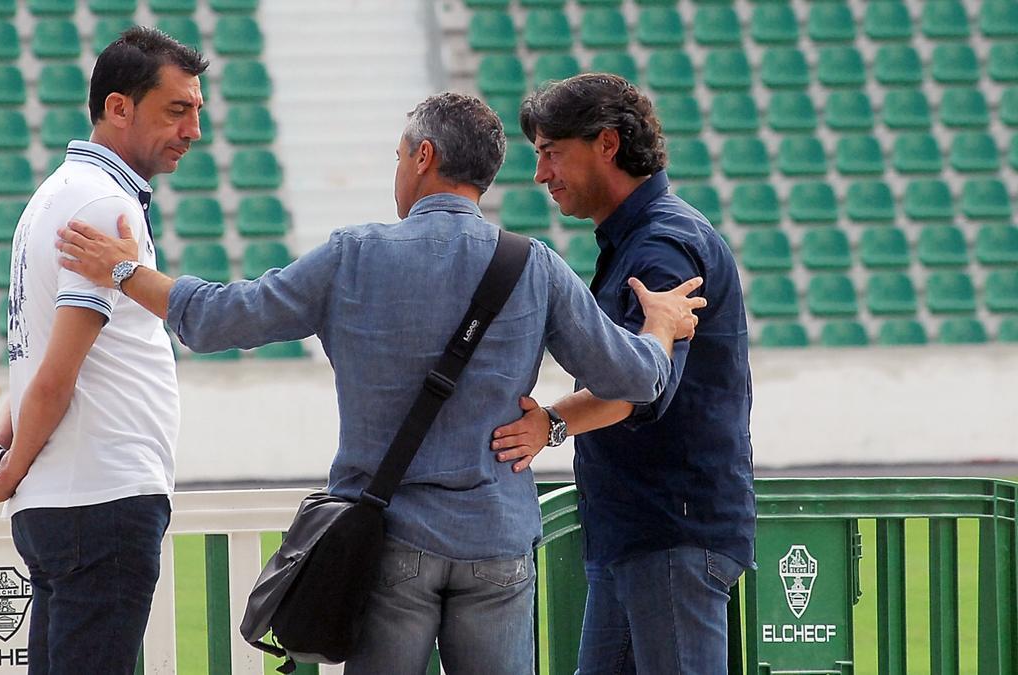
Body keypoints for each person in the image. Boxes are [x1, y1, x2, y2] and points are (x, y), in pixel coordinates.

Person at [55, 91, 707, 675]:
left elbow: (222, 317)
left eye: (399, 156)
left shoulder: (355, 254)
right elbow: (636, 379)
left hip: (387, 535)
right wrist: (662, 326)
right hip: (495, 535)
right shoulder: (533, 265)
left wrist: (125, 272)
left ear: (423, 156)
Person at [0, 26, 206, 674]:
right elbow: (55, 375)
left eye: (197, 110)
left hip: (69, 500)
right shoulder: (102, 203)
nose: (194, 129)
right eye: (178, 109)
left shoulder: (54, 195)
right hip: (103, 495)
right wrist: (8, 469)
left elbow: (43, 364)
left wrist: (0, 449)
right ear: (119, 107)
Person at [489, 73, 755, 674]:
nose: (541, 175)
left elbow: (640, 386)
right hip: (644, 531)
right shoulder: (647, 237)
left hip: (668, 532)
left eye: (551, 153)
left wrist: (550, 425)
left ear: (606, 144)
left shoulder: (660, 246)